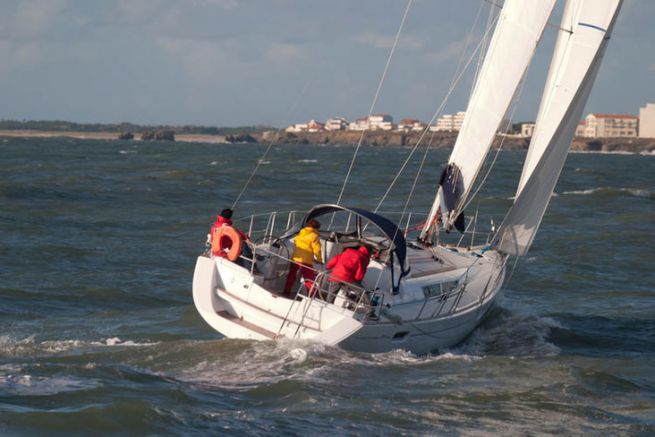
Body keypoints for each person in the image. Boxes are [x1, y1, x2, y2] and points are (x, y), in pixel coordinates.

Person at [283, 219, 322, 296]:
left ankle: (286, 292)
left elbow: (296, 242)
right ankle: (312, 296)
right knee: (309, 280)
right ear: (316, 228)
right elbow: (317, 250)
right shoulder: (314, 236)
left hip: (295, 258)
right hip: (305, 261)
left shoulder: (300, 233)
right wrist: (319, 260)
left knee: (291, 276)